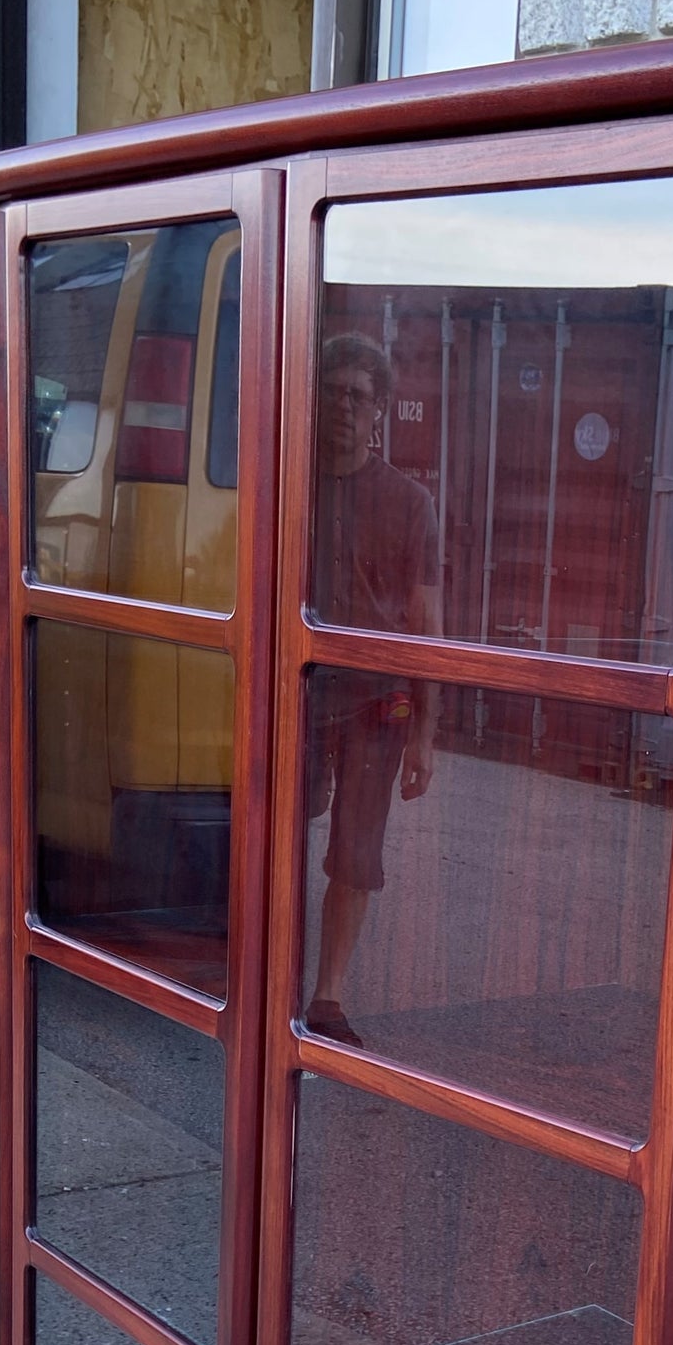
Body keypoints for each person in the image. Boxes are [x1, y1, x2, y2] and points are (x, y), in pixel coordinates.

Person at [305, 333, 441, 1047]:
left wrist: (423, 730)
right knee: (271, 835)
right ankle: (265, 977)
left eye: (358, 396)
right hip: (294, 692)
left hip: (373, 702)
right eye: (332, 393)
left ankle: (326, 997)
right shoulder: (285, 486)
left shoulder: (409, 503)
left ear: (381, 409)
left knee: (356, 852)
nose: (344, 408)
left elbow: (424, 622)